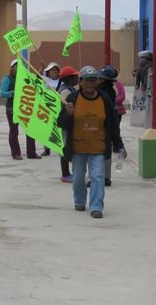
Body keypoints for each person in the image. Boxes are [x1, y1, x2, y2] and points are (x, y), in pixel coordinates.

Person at [57, 66, 125, 219]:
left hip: (98, 147)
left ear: (97, 81)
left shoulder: (104, 99)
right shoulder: (72, 99)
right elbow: (60, 123)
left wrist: (119, 144)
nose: (90, 84)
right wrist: (67, 114)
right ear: (80, 82)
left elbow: (113, 124)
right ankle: (79, 200)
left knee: (97, 177)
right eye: (87, 80)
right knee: (79, 177)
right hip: (78, 147)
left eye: (93, 80)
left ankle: (96, 207)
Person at [0, 59, 40, 160]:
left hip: (24, 108)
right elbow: (2, 93)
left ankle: (31, 153)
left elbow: (35, 82)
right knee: (14, 132)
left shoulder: (24, 78)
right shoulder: (7, 79)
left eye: (21, 66)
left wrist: (41, 69)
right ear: (12, 68)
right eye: (16, 66)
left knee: (30, 130)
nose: (19, 68)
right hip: (12, 109)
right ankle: (16, 153)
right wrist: (13, 92)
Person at [56, 65, 79, 181]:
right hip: (65, 122)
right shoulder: (65, 91)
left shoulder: (70, 89)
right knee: (65, 147)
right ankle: (65, 174)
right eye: (75, 76)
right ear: (69, 78)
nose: (77, 78)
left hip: (70, 122)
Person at [40, 62, 61, 156]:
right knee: (47, 129)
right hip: (47, 108)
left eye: (56, 70)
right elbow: (37, 76)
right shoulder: (45, 80)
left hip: (58, 109)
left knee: (59, 129)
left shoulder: (61, 82)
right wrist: (41, 68)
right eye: (52, 70)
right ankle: (46, 148)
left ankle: (60, 148)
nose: (54, 72)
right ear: (48, 72)